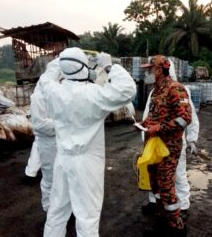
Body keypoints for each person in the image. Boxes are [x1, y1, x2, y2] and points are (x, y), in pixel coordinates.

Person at [39, 47, 136, 237]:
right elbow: (127, 89)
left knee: (56, 213)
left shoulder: (52, 91)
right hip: (86, 164)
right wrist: (109, 66)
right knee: (87, 218)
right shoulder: (94, 95)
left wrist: (62, 59)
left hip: (63, 160)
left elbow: (47, 76)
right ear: (83, 68)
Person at [139, 55, 192, 237]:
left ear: (159, 70)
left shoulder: (176, 89)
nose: (148, 72)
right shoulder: (156, 90)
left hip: (169, 147)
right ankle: (162, 222)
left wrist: (159, 127)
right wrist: (144, 123)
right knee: (155, 183)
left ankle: (177, 228)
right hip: (155, 145)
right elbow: (155, 115)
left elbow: (185, 119)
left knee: (166, 185)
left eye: (150, 69)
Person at [142, 85, 199, 224]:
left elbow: (189, 117)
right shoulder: (154, 92)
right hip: (154, 143)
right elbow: (147, 115)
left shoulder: (179, 90)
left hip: (173, 144)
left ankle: (183, 206)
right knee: (154, 175)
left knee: (178, 175)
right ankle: (154, 202)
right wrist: (145, 140)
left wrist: (191, 139)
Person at [30, 82, 57, 212]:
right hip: (47, 142)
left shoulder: (57, 92)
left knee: (63, 178)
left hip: (57, 141)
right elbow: (40, 125)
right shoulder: (38, 96)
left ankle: (62, 209)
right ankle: (49, 209)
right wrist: (63, 124)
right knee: (50, 179)